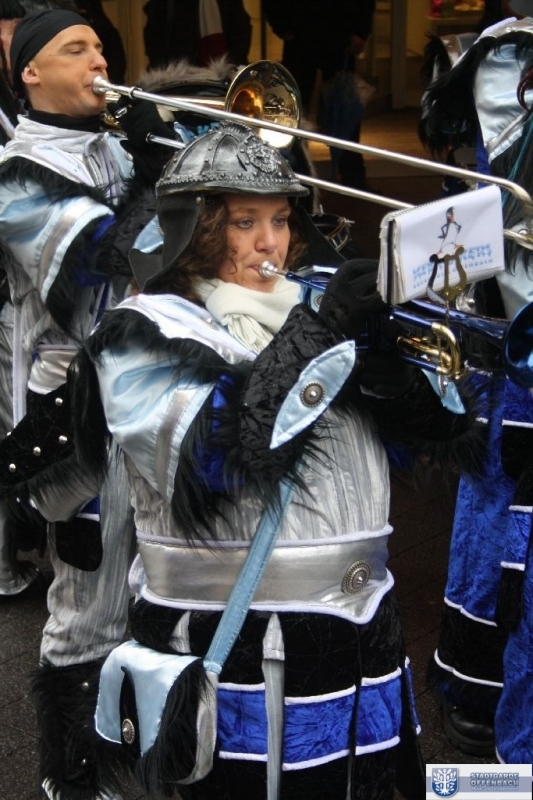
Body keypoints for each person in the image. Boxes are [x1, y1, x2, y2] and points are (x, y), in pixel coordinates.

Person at [15, 119, 485, 800]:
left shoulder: (303, 310)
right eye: (244, 222)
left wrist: (386, 365)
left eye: (280, 219)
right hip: (240, 650)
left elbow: (443, 434)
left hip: (362, 639)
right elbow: (215, 454)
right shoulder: (139, 331)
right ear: (196, 231)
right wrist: (323, 334)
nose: (271, 242)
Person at [0, 8, 177, 798]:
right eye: (75, 49)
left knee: (156, 586)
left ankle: (132, 750)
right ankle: (70, 777)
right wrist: (161, 173)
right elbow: (101, 266)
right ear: (30, 72)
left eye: (100, 46)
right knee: (88, 607)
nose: (98, 59)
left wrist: (161, 152)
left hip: (149, 395)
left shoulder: (112, 142)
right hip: (76, 422)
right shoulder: (17, 173)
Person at [419, 0, 533, 764]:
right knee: (497, 511)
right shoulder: (509, 51)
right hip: (514, 340)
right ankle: (476, 692)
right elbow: (503, 161)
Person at [263, 0, 376, 190]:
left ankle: (351, 175)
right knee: (297, 109)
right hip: (305, 34)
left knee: (341, 107)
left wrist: (361, 32)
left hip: (335, 34)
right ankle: (295, 171)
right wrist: (282, 27)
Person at [143, 0, 252, 71]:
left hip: (222, 80)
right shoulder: (166, 4)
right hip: (177, 81)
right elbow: (155, 42)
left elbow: (240, 38)